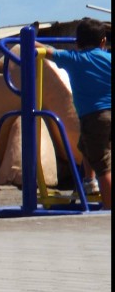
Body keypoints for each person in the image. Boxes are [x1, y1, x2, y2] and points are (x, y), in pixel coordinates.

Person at [39, 17, 112, 209]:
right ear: (103, 42)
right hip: (108, 114)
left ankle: (109, 207)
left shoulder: (74, 59)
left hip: (95, 116)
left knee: (103, 166)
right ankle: (89, 180)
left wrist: (30, 40)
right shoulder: (109, 58)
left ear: (77, 43)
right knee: (85, 146)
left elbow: (48, 52)